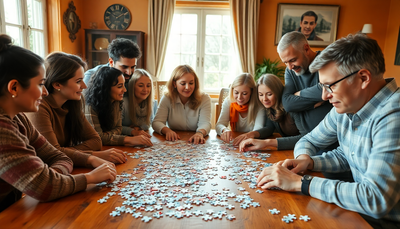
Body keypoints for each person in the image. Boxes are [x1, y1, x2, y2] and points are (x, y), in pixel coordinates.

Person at [257, 33, 400, 228]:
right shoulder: (347, 108)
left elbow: (375, 199)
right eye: (322, 86)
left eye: (329, 86)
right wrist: (307, 161)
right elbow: (318, 144)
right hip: (356, 215)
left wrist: (303, 183)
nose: (324, 95)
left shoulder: (394, 115)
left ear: (363, 78)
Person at [0, 35, 116, 212]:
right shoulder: (2, 129)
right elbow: (45, 186)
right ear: (14, 88)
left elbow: (58, 157)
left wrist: (52, 176)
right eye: (40, 84)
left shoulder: (18, 118)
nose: (45, 92)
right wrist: (90, 178)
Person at [26, 52, 127, 164]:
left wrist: (64, 151)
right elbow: (52, 153)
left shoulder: (72, 103)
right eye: (78, 81)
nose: (84, 86)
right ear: (57, 85)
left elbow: (96, 141)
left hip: (66, 165)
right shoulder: (39, 107)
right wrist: (93, 155)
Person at [84, 66, 153, 147]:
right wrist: (129, 139)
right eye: (120, 86)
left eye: (124, 85)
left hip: (108, 147)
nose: (125, 90)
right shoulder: (90, 107)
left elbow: (119, 129)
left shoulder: (116, 102)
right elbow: (98, 138)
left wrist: (107, 135)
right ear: (106, 88)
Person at [238, 74, 306, 151]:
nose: (264, 99)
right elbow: (269, 128)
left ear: (278, 92)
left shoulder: (291, 107)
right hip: (289, 149)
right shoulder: (270, 107)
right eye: (260, 94)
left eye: (269, 94)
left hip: (304, 149)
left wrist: (268, 142)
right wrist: (252, 134)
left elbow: (305, 137)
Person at [152, 65, 211, 144]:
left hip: (195, 143)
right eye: (183, 83)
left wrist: (199, 133)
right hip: (174, 142)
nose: (187, 87)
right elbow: (156, 122)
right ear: (174, 84)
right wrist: (167, 131)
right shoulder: (167, 98)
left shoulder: (204, 98)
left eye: (191, 83)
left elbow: (205, 123)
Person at [215, 73, 264, 144]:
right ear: (232, 90)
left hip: (252, 142)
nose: (239, 97)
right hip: (235, 142)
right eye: (236, 93)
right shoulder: (228, 101)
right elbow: (219, 124)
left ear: (251, 92)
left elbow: (259, 129)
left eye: (244, 93)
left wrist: (249, 136)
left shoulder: (259, 104)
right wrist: (224, 130)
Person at [121, 69, 154, 138]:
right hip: (123, 139)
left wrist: (138, 128)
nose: (145, 90)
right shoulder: (123, 103)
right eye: (141, 85)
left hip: (139, 138)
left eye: (148, 86)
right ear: (132, 87)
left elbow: (149, 124)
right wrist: (131, 130)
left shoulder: (150, 103)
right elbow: (115, 128)